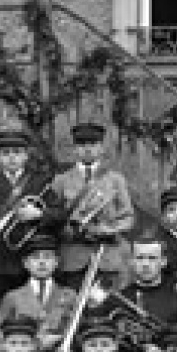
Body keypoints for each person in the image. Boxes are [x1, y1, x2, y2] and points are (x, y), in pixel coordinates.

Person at [91, 236, 177, 352]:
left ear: (163, 262)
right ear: (132, 262)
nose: (145, 264)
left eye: (152, 258)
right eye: (140, 258)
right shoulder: (115, 300)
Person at [47, 123, 135, 290]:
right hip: (73, 258)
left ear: (101, 148)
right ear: (74, 149)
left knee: (105, 308)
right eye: (81, 145)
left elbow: (128, 218)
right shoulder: (61, 180)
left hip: (106, 257)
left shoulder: (115, 180)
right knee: (72, 308)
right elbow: (53, 219)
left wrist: (108, 229)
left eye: (93, 144)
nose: (87, 149)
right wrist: (69, 229)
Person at [0, 131, 54, 304]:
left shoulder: (40, 181)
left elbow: (59, 215)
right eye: (6, 153)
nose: (12, 157)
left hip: (28, 260)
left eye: (17, 152)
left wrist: (39, 214)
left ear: (26, 155)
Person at [0, 233, 78, 352]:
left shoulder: (71, 296)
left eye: (47, 257)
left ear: (56, 262)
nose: (42, 262)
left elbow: (77, 333)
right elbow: (2, 338)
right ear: (26, 263)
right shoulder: (12, 297)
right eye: (35, 257)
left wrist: (60, 338)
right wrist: (35, 345)